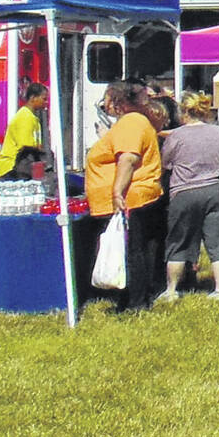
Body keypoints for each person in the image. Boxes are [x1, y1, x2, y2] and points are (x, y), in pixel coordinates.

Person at [84, 80, 164, 312]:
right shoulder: (133, 122)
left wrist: (117, 190)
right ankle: (137, 297)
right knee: (136, 249)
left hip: (132, 196)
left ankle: (135, 302)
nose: (105, 105)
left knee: (132, 251)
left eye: (107, 100)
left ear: (117, 101)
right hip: (137, 195)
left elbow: (128, 158)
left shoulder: (131, 123)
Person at [161, 91, 219, 301]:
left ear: (184, 112)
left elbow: (166, 164)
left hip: (183, 192)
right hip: (215, 189)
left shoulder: (176, 136)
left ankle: (171, 290)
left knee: (178, 242)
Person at [0, 82, 47, 176]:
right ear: (33, 98)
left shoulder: (31, 117)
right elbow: (26, 148)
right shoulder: (25, 117)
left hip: (21, 167)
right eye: (44, 99)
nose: (46, 102)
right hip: (11, 168)